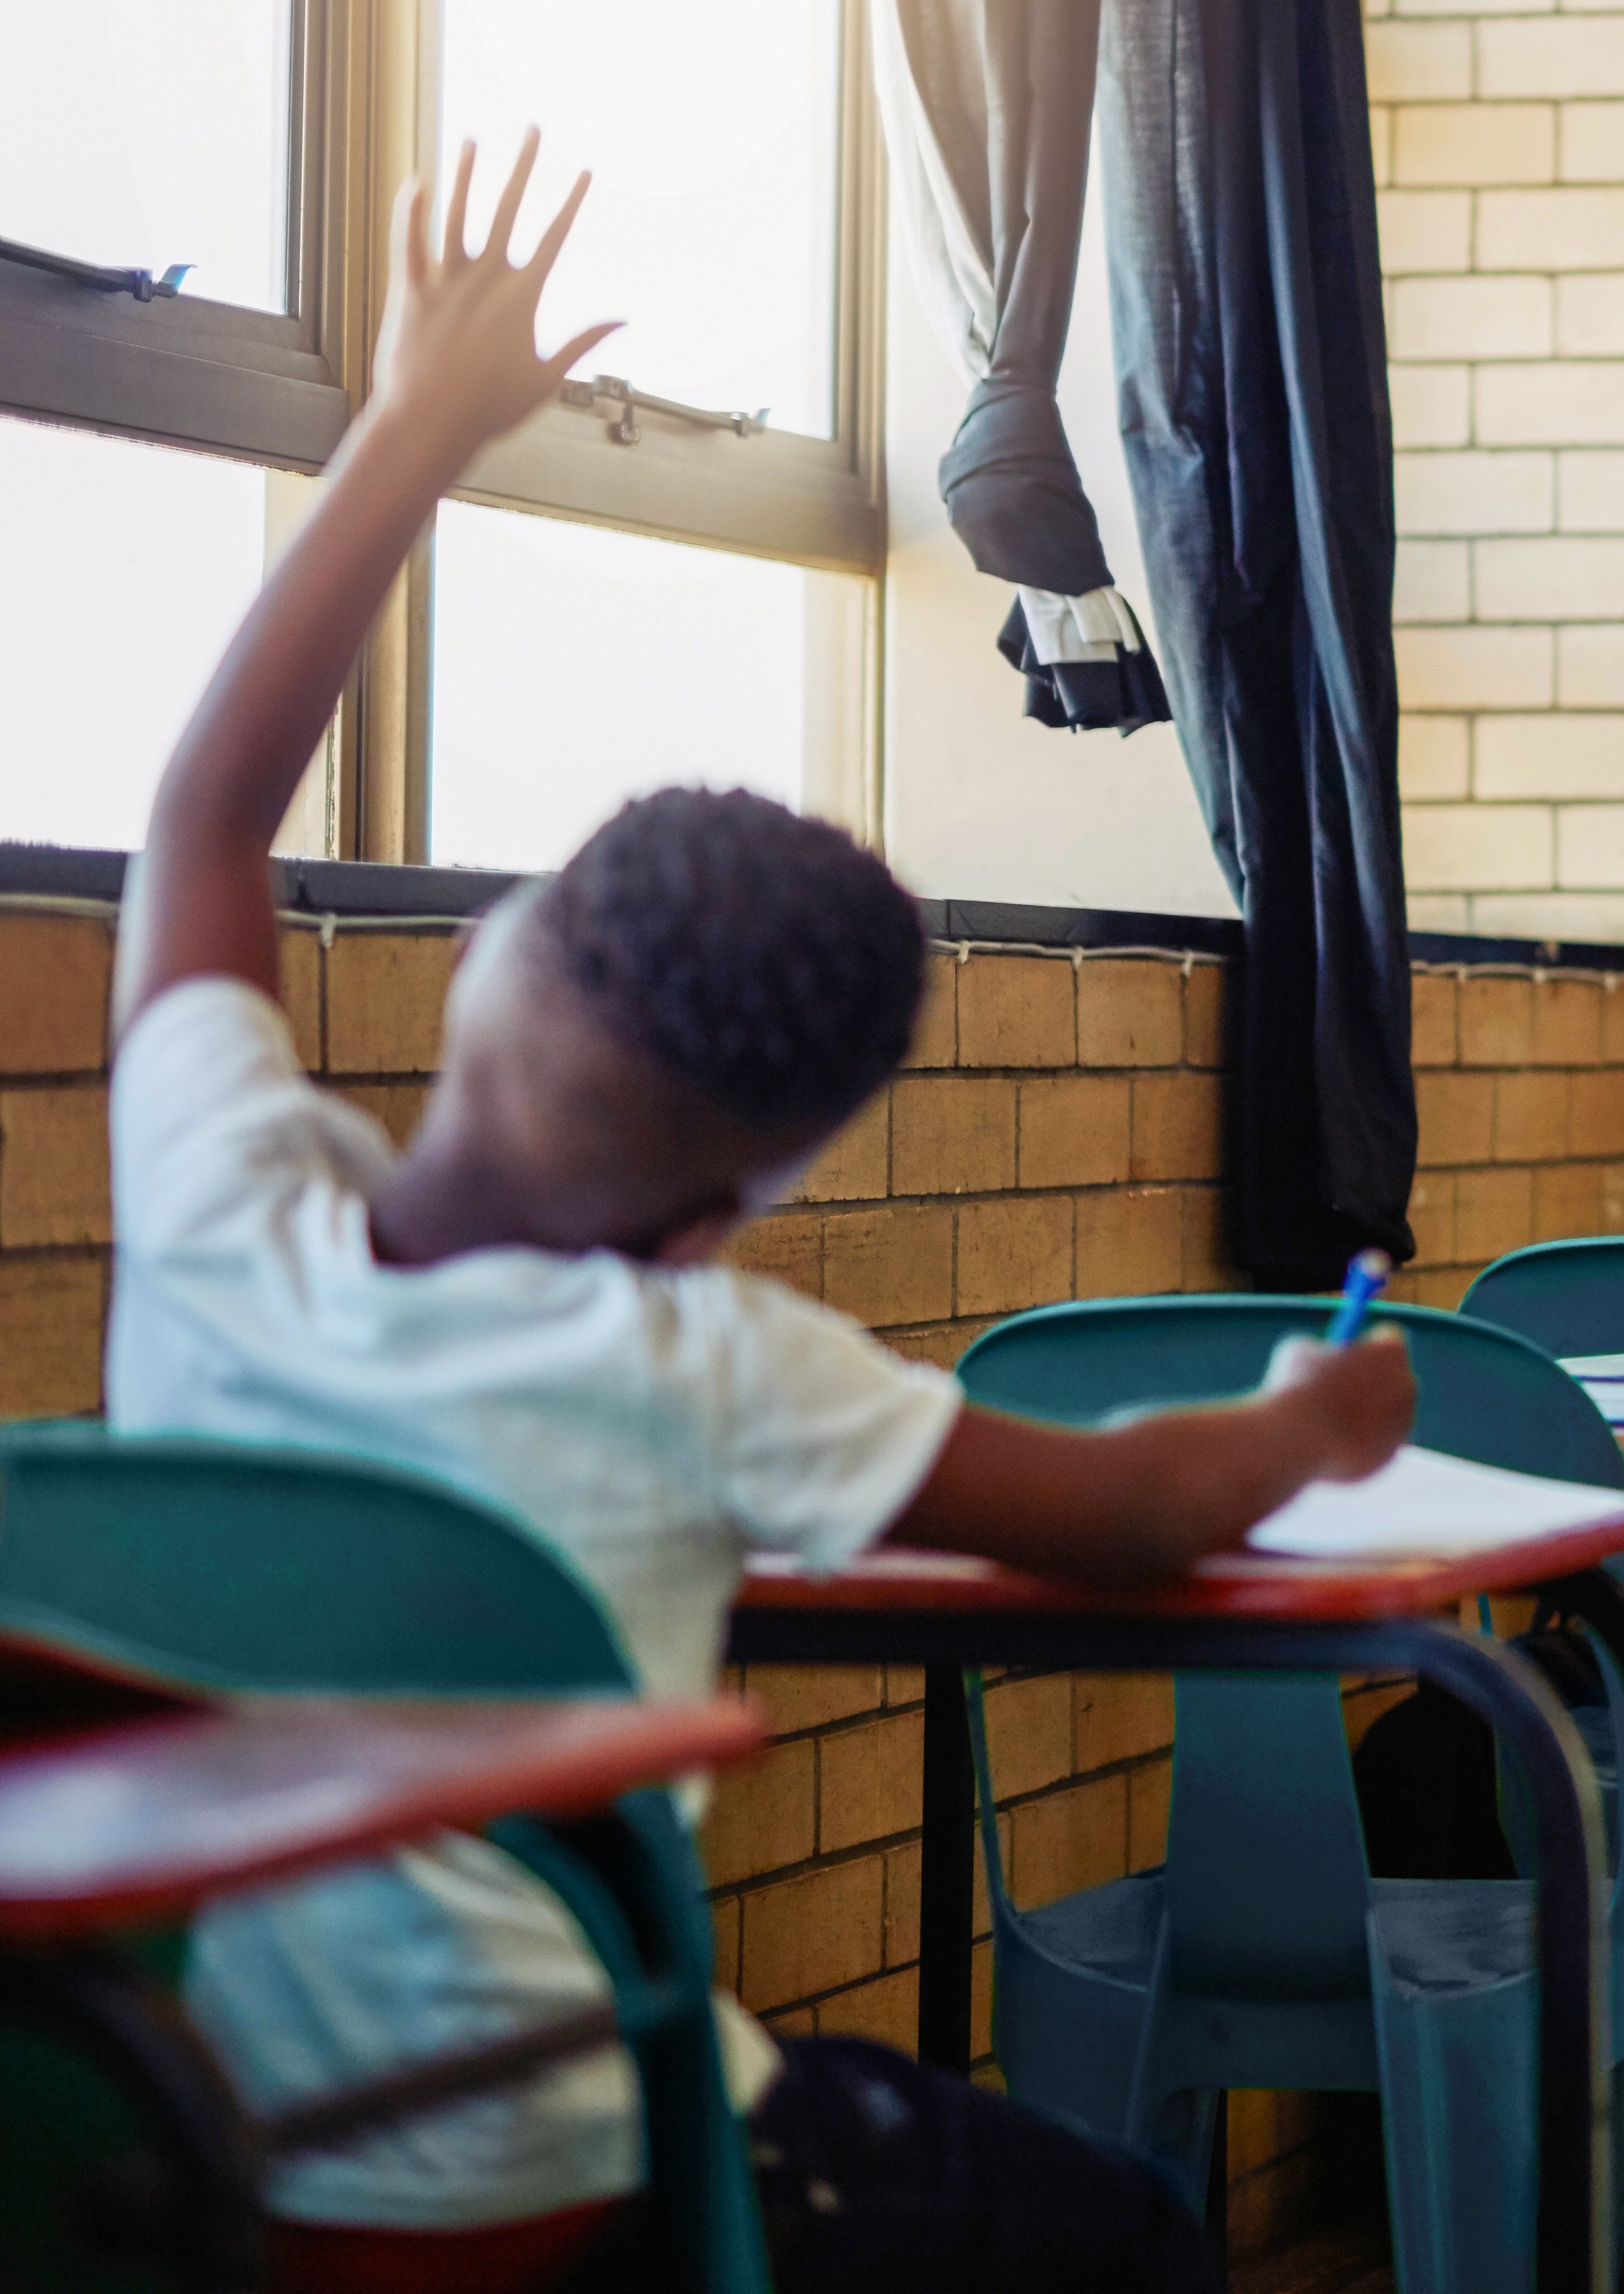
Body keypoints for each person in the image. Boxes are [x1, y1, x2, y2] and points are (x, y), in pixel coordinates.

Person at [102, 136, 1422, 2294]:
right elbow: (1124, 1519)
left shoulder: (206, 1207)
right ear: (740, 1196)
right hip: (553, 2177)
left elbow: (207, 810)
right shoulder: (694, 1363)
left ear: (486, 961)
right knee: (1142, 2251)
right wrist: (1310, 1418)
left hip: (159, 2146)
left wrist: (413, 427)